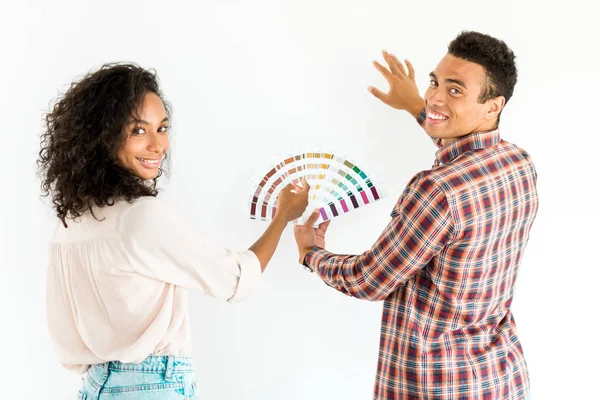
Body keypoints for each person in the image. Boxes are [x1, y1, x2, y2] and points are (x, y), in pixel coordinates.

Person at [38, 63, 309, 399]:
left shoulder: (71, 223)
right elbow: (236, 279)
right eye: (139, 130)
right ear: (102, 136)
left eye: (162, 128)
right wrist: (282, 216)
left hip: (95, 388)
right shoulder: (141, 219)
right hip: (153, 387)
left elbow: (63, 334)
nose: (158, 145)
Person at [294, 31, 537, 400]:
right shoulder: (518, 163)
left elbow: (369, 280)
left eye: (455, 90)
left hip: (435, 385)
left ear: (493, 106)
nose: (434, 96)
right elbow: (465, 161)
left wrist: (312, 253)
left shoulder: (436, 190)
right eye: (434, 82)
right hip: (500, 380)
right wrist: (420, 109)